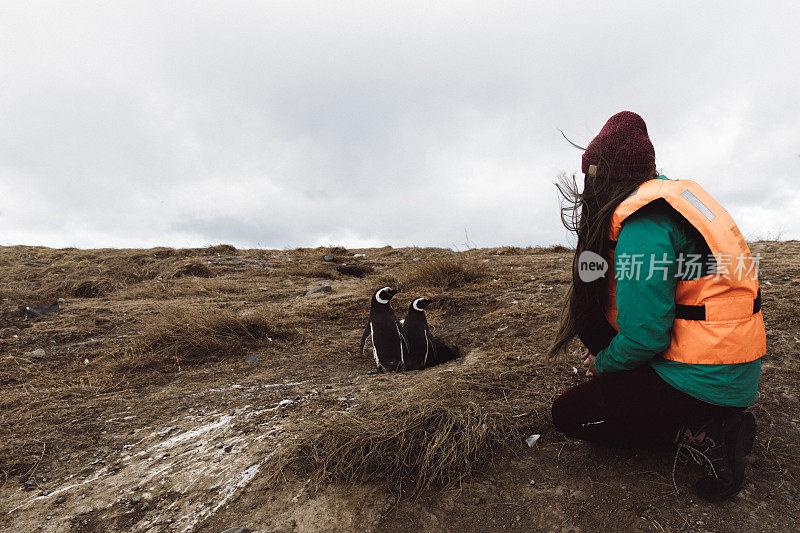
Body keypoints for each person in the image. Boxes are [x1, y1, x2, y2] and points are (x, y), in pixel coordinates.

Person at [548, 111, 765, 501]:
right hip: (730, 367)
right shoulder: (676, 200)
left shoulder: (642, 228)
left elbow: (646, 337)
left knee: (570, 414)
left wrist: (604, 363)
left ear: (601, 178)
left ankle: (709, 432)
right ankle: (715, 416)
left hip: (703, 382)